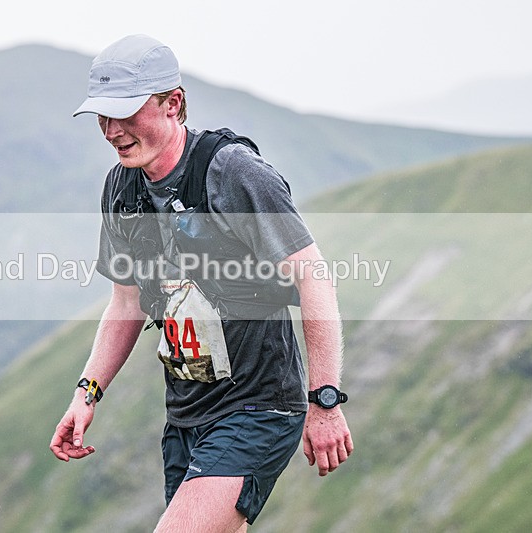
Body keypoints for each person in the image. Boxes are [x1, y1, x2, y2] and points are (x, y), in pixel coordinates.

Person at [50, 34, 353, 532]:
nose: (111, 130)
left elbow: (314, 277)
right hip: (185, 416)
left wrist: (324, 401)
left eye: (125, 113)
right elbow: (126, 304)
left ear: (173, 104)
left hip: (257, 408)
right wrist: (86, 395)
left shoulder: (233, 173)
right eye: (102, 115)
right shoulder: (121, 189)